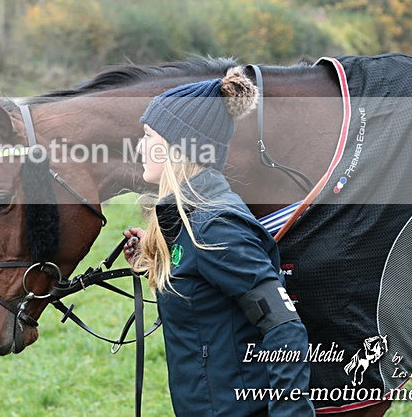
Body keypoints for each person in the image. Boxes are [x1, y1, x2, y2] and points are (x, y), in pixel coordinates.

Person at [123, 68, 315, 416]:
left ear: (176, 147)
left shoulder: (216, 228)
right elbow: (205, 288)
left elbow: (284, 327)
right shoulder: (189, 220)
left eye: (148, 135)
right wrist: (156, 254)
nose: (140, 145)